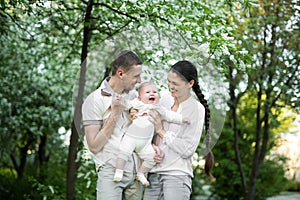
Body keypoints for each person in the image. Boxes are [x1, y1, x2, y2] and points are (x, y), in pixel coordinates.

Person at [143, 60, 215, 200]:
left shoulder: (196, 109)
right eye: (169, 81)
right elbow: (148, 133)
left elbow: (187, 149)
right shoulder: (163, 100)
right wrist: (152, 147)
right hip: (153, 173)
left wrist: (161, 131)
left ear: (190, 83)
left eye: (175, 83)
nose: (171, 86)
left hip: (176, 176)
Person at [82, 50, 148, 200]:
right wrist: (115, 114)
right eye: (135, 76)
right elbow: (94, 146)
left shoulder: (135, 97)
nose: (139, 81)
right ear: (120, 73)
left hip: (135, 172)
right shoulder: (94, 100)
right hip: (111, 170)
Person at [113, 82, 189, 186]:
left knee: (152, 158)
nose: (152, 94)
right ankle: (119, 171)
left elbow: (170, 115)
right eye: (148, 92)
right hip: (131, 138)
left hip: (145, 144)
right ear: (140, 98)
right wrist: (120, 101)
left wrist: (182, 119)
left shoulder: (159, 109)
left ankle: (141, 173)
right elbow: (127, 104)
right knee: (124, 152)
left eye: (155, 92)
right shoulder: (137, 104)